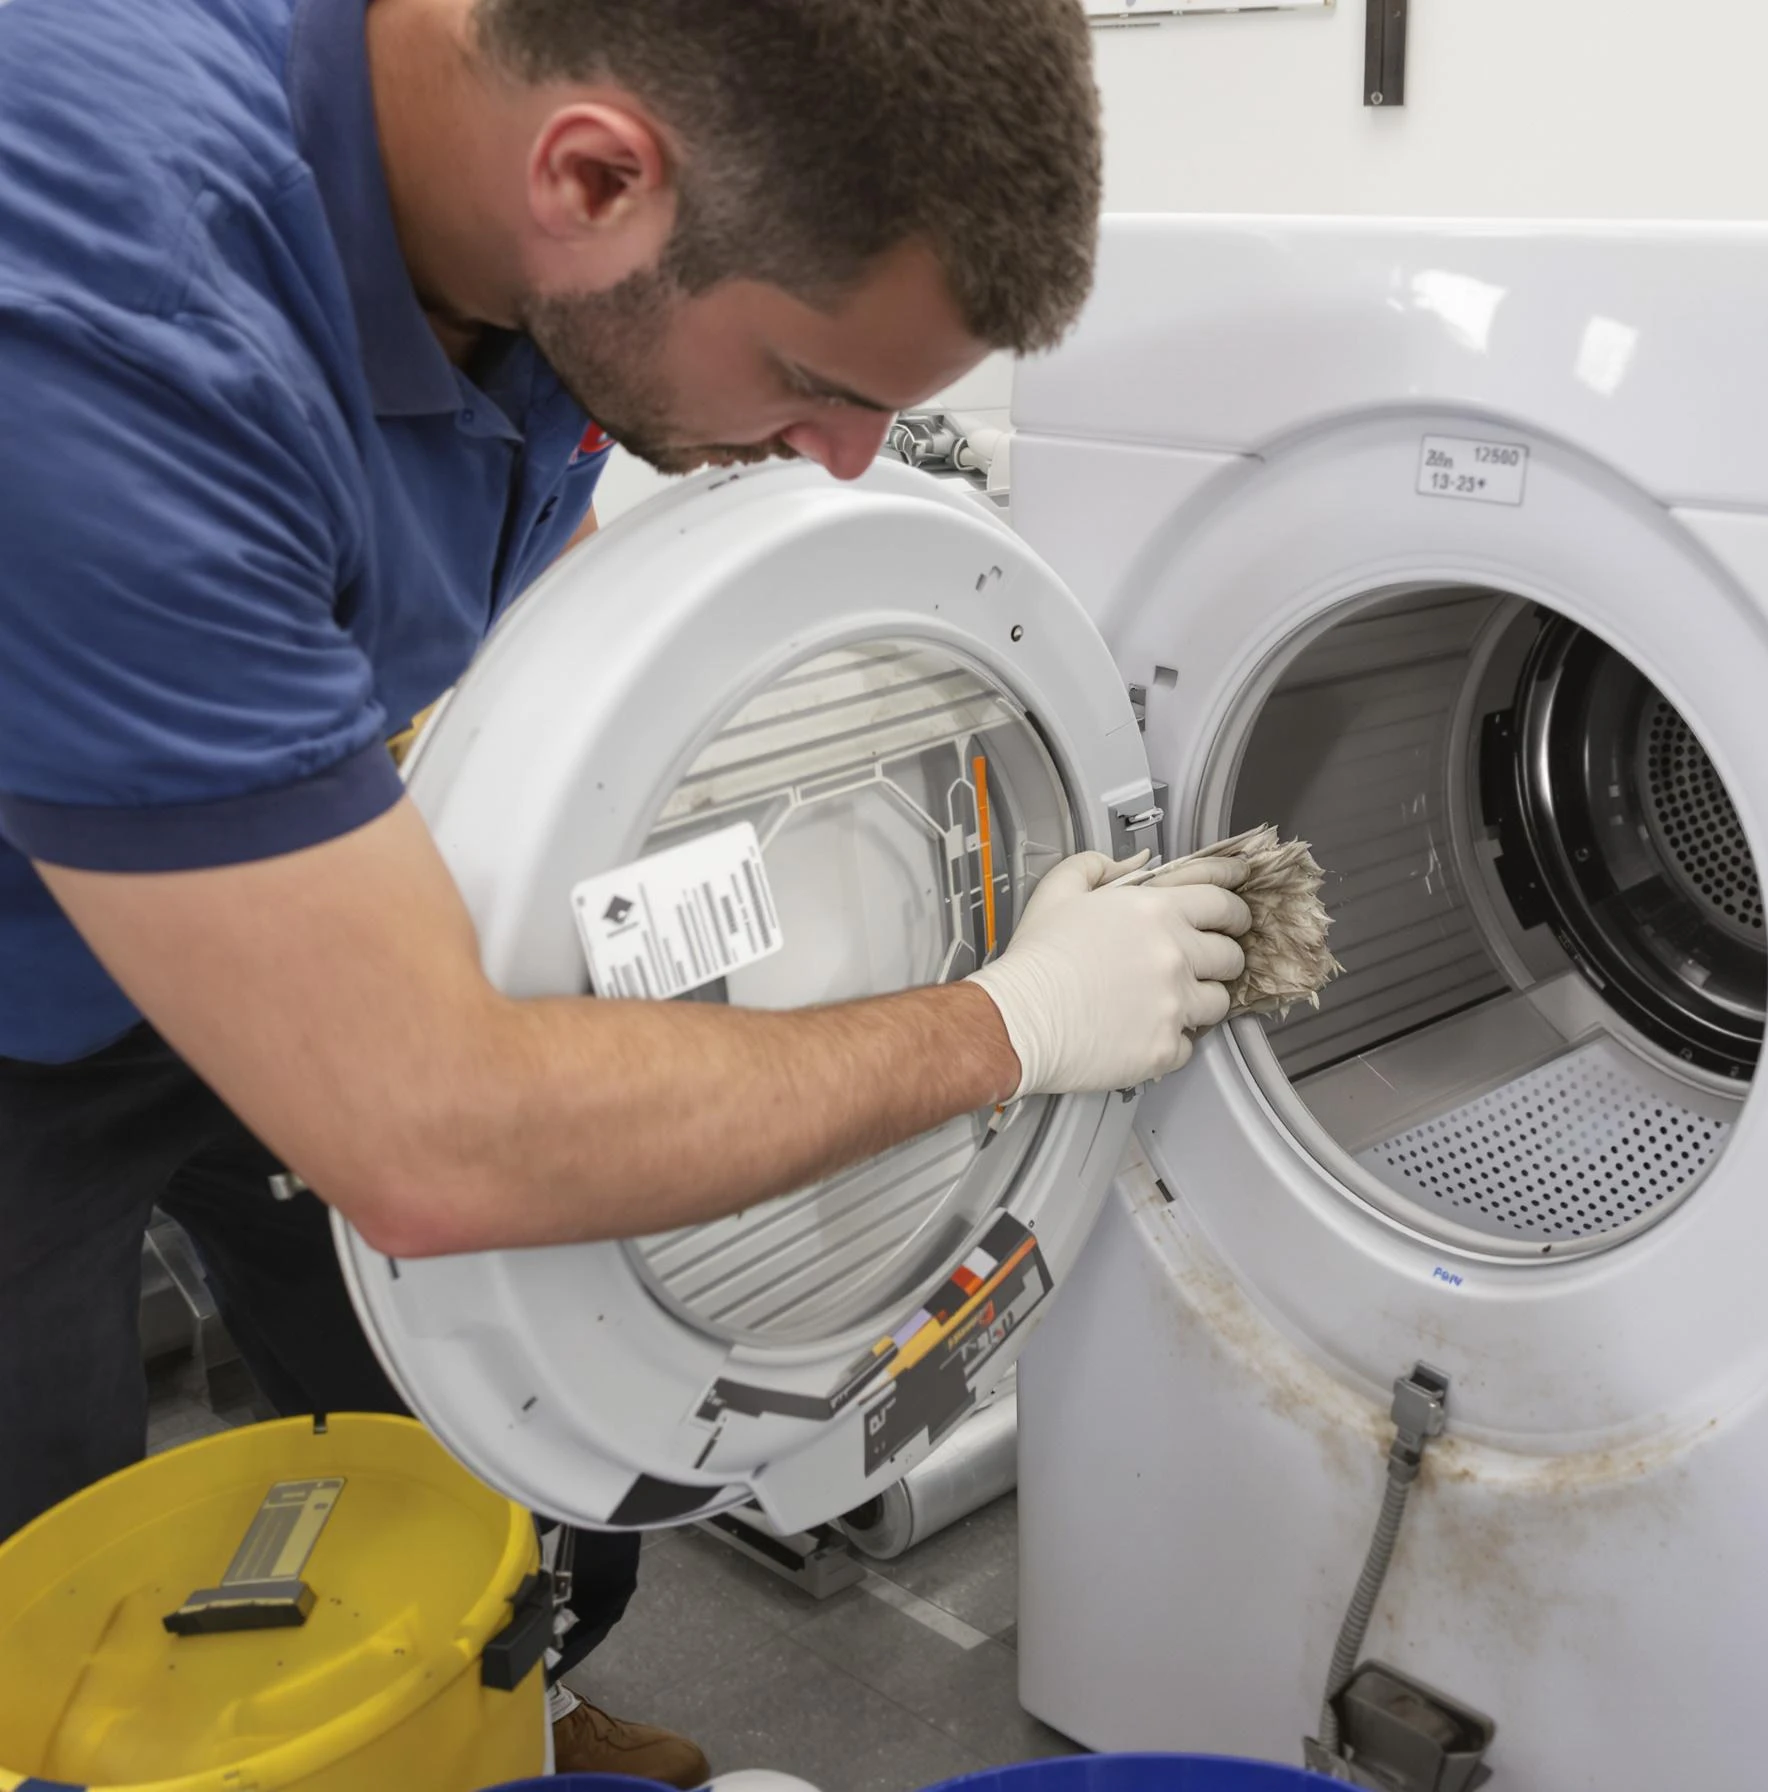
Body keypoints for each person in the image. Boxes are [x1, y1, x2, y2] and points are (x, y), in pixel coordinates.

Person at [0, 0, 1251, 1781]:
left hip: (251, 865)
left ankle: (491, 1711)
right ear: (595, 178)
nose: (842, 459)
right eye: (823, 388)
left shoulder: (527, 241)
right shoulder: (114, 308)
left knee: (479, 1417)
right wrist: (1006, 1025)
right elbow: (433, 1142)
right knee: (32, 1576)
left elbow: (527, 596)